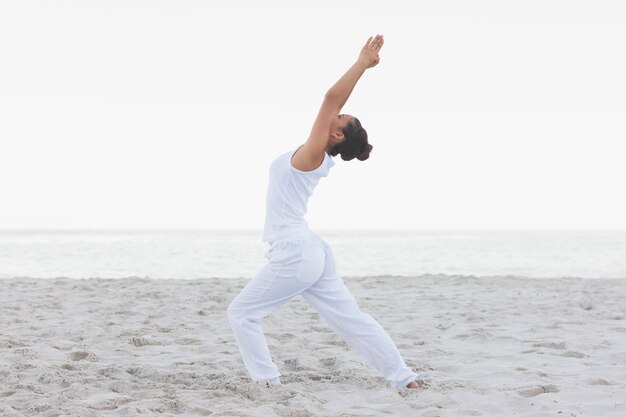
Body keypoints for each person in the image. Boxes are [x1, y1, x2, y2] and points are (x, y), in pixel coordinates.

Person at [227, 35, 422, 390]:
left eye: (342, 116)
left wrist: (362, 63)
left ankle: (267, 382)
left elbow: (331, 97)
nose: (337, 111)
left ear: (336, 133)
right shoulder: (314, 155)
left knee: (241, 314)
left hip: (295, 252)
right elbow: (333, 104)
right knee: (352, 320)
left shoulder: (312, 155)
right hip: (312, 250)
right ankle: (405, 378)